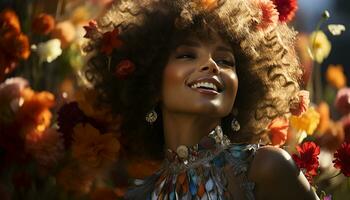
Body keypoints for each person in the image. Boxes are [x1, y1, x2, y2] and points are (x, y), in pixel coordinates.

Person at [82, 0, 320, 199]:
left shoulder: (267, 168)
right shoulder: (142, 195)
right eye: (187, 55)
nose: (212, 65)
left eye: (226, 61)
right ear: (152, 82)